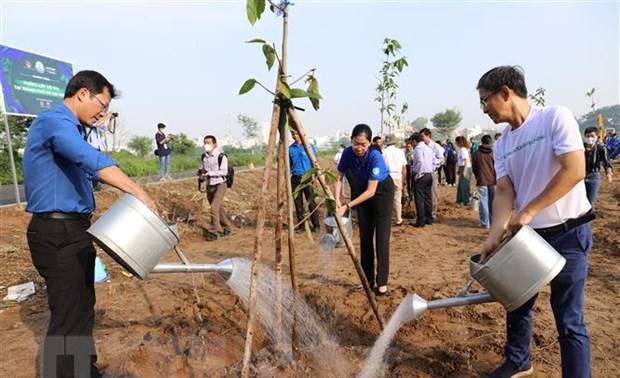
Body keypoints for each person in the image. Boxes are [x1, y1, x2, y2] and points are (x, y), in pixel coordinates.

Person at [22, 70, 158, 378]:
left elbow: (85, 165)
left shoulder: (73, 128)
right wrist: (137, 190)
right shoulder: (53, 121)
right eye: (102, 103)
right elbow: (88, 159)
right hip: (57, 232)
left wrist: (91, 130)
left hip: (75, 230)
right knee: (68, 315)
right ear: (83, 93)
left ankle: (84, 370)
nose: (103, 112)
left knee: (83, 307)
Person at [478, 65, 594, 378]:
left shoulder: (555, 118)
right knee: (517, 303)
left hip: (569, 232)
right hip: (529, 239)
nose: (484, 108)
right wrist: (494, 235)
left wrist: (529, 210)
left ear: (505, 92)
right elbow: (504, 192)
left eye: (485, 100)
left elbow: (574, 170)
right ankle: (518, 361)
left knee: (569, 317)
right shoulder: (503, 144)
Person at [335, 124, 394, 296]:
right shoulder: (347, 153)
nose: (359, 148)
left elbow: (371, 191)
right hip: (362, 191)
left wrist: (347, 206)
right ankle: (367, 280)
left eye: (363, 144)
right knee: (365, 238)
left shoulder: (375, 157)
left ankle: (381, 284)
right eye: (356, 143)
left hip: (381, 192)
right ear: (351, 141)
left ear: (369, 144)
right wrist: (337, 199)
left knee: (381, 239)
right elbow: (339, 177)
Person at [200, 135, 232, 241]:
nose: (206, 145)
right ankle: (227, 227)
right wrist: (202, 175)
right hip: (210, 185)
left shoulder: (221, 157)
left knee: (214, 208)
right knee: (218, 209)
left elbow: (224, 171)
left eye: (209, 143)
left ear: (215, 144)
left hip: (220, 184)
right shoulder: (204, 157)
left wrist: (211, 173)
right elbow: (204, 171)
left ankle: (215, 231)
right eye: (205, 143)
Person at [289, 130, 320, 233]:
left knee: (311, 201)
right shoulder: (290, 149)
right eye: (293, 134)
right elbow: (288, 165)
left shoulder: (309, 146)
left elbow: (315, 162)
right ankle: (301, 226)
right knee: (298, 203)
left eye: (296, 133)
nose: (295, 136)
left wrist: (317, 177)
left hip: (307, 177)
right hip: (295, 178)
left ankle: (316, 225)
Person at [583, 127, 613, 208]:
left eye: (592, 136)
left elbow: (606, 162)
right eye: (588, 136)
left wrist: (609, 174)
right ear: (585, 137)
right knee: (579, 201)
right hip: (580, 177)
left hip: (594, 177)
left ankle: (587, 220)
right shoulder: (580, 148)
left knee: (590, 202)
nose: (590, 138)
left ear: (596, 137)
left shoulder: (601, 148)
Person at [86, 112, 117, 190]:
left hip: (97, 148)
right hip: (90, 147)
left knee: (96, 167)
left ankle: (95, 185)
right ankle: (90, 186)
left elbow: (109, 129)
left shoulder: (98, 122)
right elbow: (98, 124)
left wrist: (110, 120)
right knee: (89, 167)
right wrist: (108, 116)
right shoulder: (88, 121)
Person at [409, 132, 434, 228]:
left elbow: (420, 161)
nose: (411, 145)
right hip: (429, 174)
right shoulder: (428, 148)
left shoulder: (418, 149)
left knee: (419, 198)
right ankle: (429, 218)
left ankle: (421, 221)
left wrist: (418, 174)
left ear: (415, 141)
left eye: (412, 142)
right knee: (428, 197)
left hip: (421, 175)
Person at [471, 134, 496, 228]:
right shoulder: (494, 153)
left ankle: (485, 223)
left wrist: (477, 176)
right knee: (492, 202)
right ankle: (492, 221)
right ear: (490, 142)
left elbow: (474, 167)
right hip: (493, 180)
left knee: (483, 202)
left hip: (482, 179)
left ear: (482, 142)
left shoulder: (477, 153)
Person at [382, 134, 407, 225]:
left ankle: (386, 219)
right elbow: (404, 167)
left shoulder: (383, 152)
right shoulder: (400, 152)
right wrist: (404, 179)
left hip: (386, 178)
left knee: (386, 200)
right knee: (397, 200)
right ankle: (398, 219)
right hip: (397, 177)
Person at [420, 128, 445, 219]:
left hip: (432, 173)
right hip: (423, 173)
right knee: (424, 194)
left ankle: (432, 213)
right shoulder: (421, 147)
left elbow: (442, 160)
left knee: (433, 193)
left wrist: (433, 165)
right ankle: (424, 213)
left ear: (428, 136)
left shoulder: (436, 147)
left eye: (423, 136)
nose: (422, 138)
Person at [455, 136, 472, 206]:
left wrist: (464, 170)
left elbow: (466, 160)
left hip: (465, 168)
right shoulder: (463, 149)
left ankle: (465, 201)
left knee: (465, 185)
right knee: (461, 185)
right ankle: (460, 200)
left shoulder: (463, 150)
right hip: (463, 167)